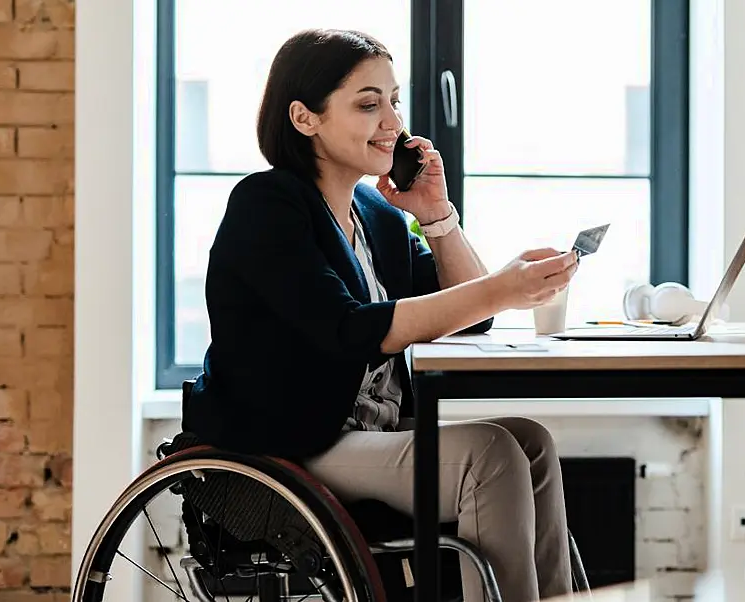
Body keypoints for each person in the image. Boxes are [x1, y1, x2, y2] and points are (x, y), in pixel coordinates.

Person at [181, 28, 579, 602]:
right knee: (490, 456)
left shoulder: (377, 214)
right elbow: (349, 331)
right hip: (296, 441)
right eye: (369, 104)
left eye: (394, 100)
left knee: (530, 441)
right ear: (304, 118)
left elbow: (469, 314)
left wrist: (437, 216)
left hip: (370, 432)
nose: (392, 120)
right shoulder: (267, 206)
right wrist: (503, 289)